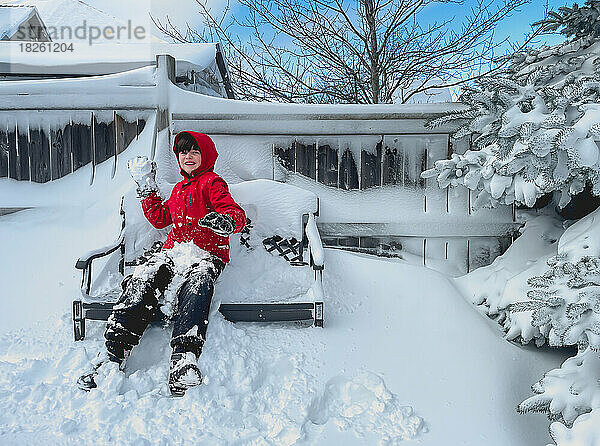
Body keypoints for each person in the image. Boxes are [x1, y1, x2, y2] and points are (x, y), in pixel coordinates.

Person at [78, 131, 246, 396]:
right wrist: (147, 187)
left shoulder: (213, 183)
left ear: (206, 156)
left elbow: (233, 211)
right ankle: (113, 352)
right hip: (175, 252)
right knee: (144, 277)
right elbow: (160, 218)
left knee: (198, 284)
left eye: (194, 152)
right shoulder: (179, 189)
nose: (188, 157)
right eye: (183, 152)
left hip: (207, 254)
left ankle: (184, 358)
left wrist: (226, 221)